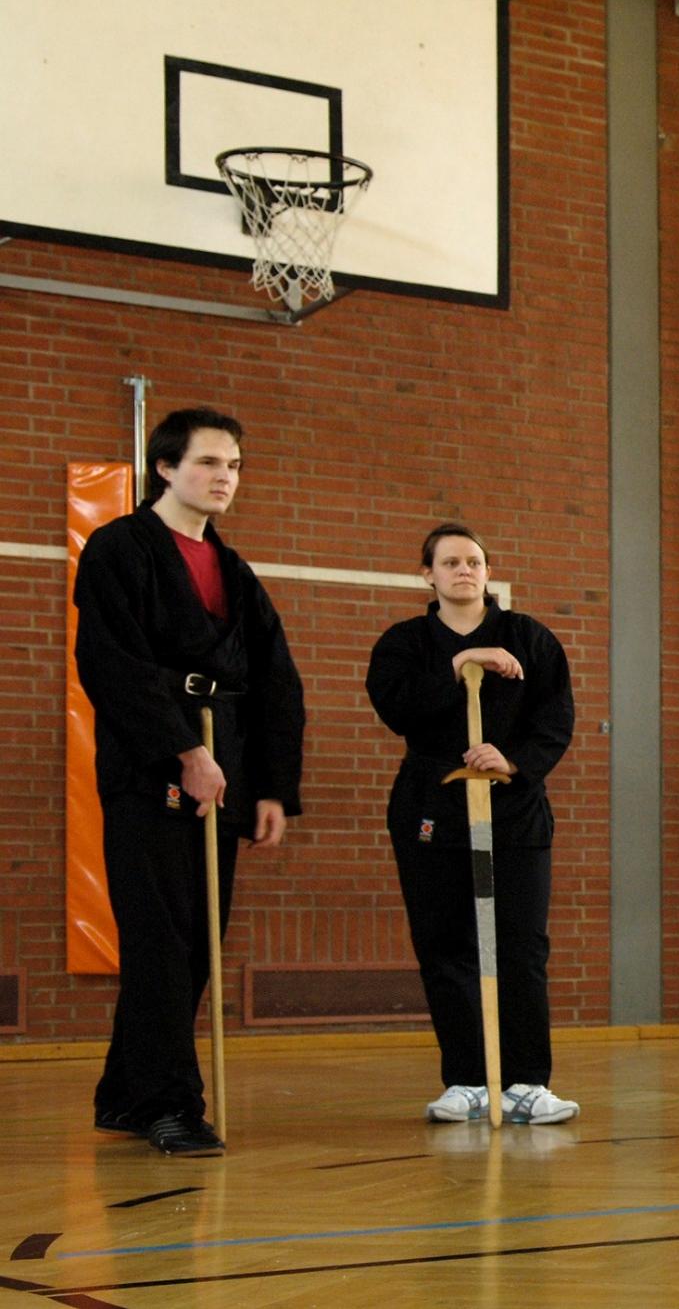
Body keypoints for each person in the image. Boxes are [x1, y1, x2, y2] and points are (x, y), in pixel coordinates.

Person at [75, 407, 305, 1157]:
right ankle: (173, 1103)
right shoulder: (118, 548)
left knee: (196, 943)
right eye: (209, 463)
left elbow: (277, 682)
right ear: (165, 468)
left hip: (225, 767)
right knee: (160, 941)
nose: (224, 478)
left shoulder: (235, 573)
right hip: (152, 771)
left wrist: (270, 787)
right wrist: (181, 750)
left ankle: (128, 1095)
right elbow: (110, 662)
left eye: (234, 465)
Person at [365, 523, 578, 1125]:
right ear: (427, 574)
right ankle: (466, 1078)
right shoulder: (405, 643)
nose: (465, 571)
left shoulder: (530, 639)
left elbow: (556, 719)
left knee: (521, 946)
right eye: (451, 562)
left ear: (488, 572)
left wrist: (511, 761)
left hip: (514, 808)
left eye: (475, 562)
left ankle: (527, 1082)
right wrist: (458, 662)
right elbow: (396, 707)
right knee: (447, 944)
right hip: (432, 805)